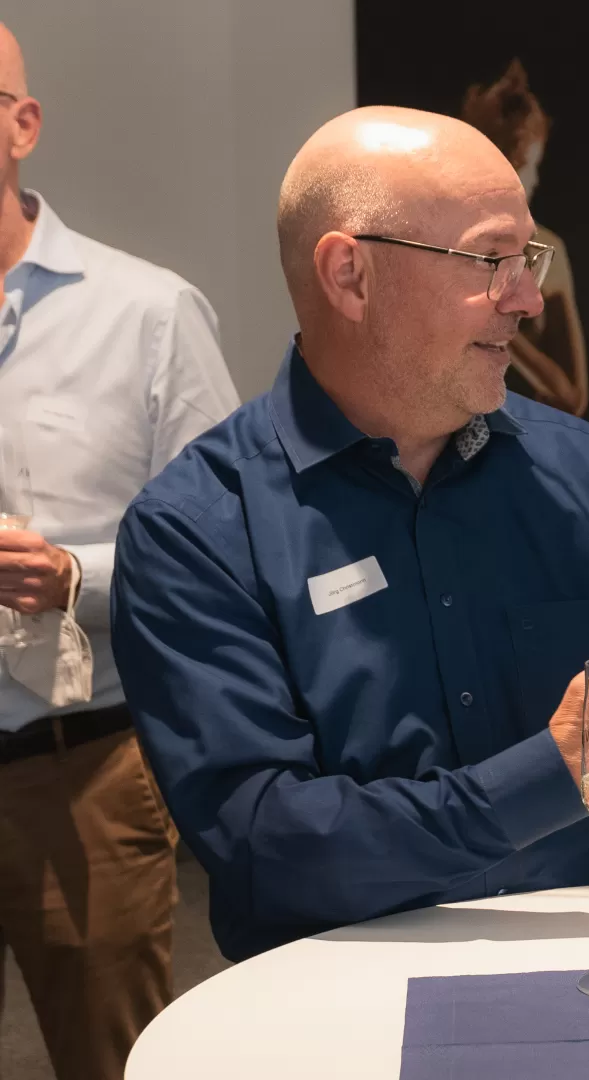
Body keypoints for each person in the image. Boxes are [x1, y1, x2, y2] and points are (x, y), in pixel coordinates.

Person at [109, 106, 589, 963]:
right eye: (491, 261)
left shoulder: (583, 472)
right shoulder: (196, 531)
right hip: (337, 1001)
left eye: (530, 260)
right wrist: (553, 775)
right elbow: (270, 847)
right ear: (349, 275)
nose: (528, 299)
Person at [0, 22, 239, 1080]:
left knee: (116, 1065)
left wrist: (74, 577)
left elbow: (227, 557)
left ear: (22, 122)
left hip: (81, 772)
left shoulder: (148, 314)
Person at [460, 58, 589, 415]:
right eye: (506, 166)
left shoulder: (548, 249)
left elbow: (572, 397)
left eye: (526, 168)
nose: (520, 184)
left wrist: (495, 317)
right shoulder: (440, 243)